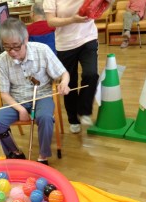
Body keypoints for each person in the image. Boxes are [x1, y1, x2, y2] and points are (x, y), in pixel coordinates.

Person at [0, 17, 70, 165]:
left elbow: (63, 73)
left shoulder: (42, 50)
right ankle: (14, 152)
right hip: (17, 99)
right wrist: (20, 109)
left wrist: (64, 83)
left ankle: (43, 156)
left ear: (25, 39)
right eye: (7, 47)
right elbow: (5, 93)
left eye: (16, 46)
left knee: (45, 118)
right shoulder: (2, 60)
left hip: (42, 95)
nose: (12, 52)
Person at [43, 0, 113, 134]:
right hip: (65, 44)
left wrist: (108, 3)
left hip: (88, 38)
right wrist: (72, 19)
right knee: (69, 83)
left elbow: (101, 6)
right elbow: (50, 22)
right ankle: (73, 119)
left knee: (91, 74)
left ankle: (84, 111)